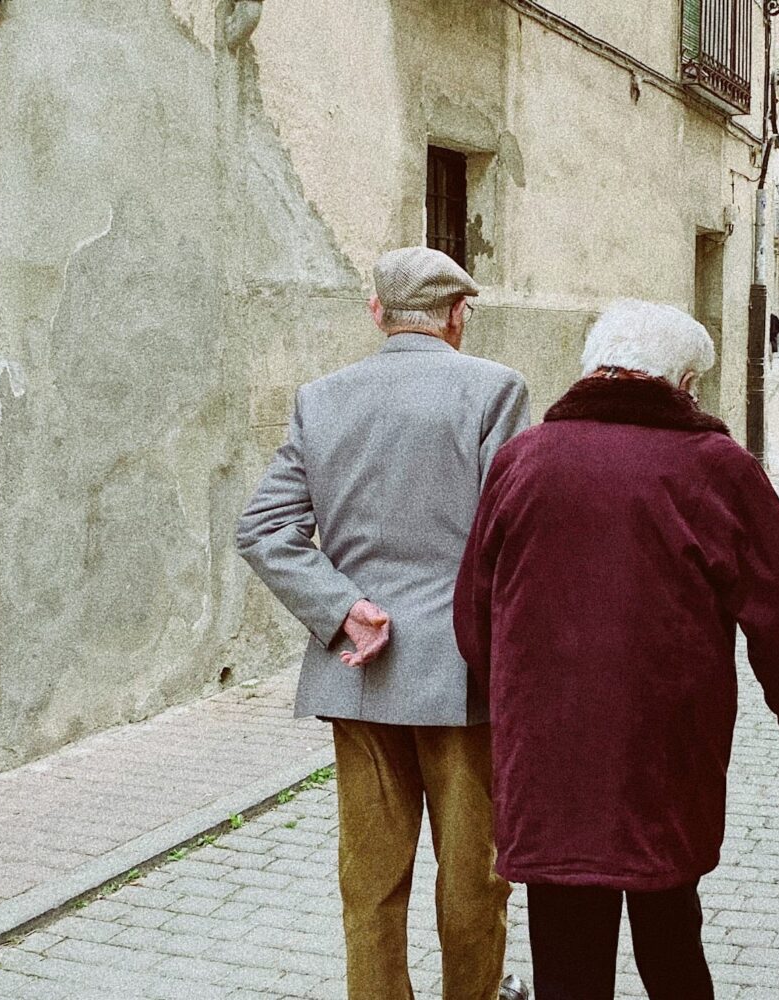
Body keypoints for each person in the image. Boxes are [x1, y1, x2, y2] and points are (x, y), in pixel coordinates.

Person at [453, 299, 779, 1000]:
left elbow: (473, 613)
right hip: (665, 753)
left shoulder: (522, 460)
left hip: (549, 757)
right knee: (669, 933)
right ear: (685, 383)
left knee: (565, 952)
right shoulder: (713, 467)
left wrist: (512, 697)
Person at [237, 246, 532, 1000]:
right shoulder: (496, 390)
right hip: (464, 678)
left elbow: (263, 530)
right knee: (473, 879)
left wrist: (340, 608)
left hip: (360, 673)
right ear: (458, 316)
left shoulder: (322, 397)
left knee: (368, 883)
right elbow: (514, 534)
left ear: (376, 312)